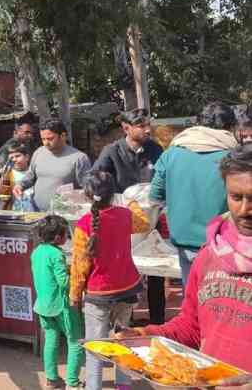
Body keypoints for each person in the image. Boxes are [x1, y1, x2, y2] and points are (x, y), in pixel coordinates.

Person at [117, 144, 252, 377]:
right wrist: (146, 335)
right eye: (236, 197)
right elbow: (191, 326)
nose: (244, 210)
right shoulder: (212, 253)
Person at [69, 171, 149, 390]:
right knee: (122, 341)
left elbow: (79, 266)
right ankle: (123, 385)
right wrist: (131, 200)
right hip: (128, 289)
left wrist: (74, 295)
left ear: (87, 195)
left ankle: (93, 386)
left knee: (96, 347)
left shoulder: (84, 224)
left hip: (98, 294)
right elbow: (143, 223)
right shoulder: (125, 215)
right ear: (113, 193)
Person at [150, 102, 238, 286]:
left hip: (183, 241)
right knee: (219, 300)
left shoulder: (171, 153)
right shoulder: (233, 158)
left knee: (191, 299)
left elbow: (155, 196)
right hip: (222, 243)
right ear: (230, 128)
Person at [91, 107, 165, 324]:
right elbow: (94, 178)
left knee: (156, 273)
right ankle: (127, 321)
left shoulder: (155, 150)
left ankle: (158, 321)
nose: (148, 130)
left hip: (151, 222)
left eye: (148, 124)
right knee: (126, 268)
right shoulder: (111, 151)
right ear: (126, 128)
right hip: (123, 223)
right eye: (142, 126)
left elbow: (165, 177)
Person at [32, 215, 84, 390]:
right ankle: (72, 382)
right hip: (62, 306)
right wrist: (77, 278)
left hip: (43, 305)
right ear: (57, 238)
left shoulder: (37, 252)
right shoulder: (56, 254)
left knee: (51, 341)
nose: (66, 238)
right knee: (76, 341)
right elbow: (63, 281)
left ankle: (52, 379)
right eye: (65, 235)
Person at [13, 118, 91, 211]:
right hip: (37, 212)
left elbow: (88, 188)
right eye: (43, 139)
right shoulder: (39, 152)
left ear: (63, 136)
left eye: (50, 138)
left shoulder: (79, 158)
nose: (46, 143)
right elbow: (31, 176)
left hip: (66, 215)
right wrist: (20, 185)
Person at [0, 120, 35, 188]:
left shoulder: (28, 144)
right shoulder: (7, 148)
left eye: (31, 133)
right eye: (26, 132)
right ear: (16, 132)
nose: (30, 135)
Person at [0, 139, 34, 211]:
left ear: (27, 157)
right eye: (11, 158)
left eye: (17, 156)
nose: (14, 159)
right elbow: (3, 196)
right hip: (15, 212)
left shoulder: (34, 172)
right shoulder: (8, 174)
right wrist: (4, 177)